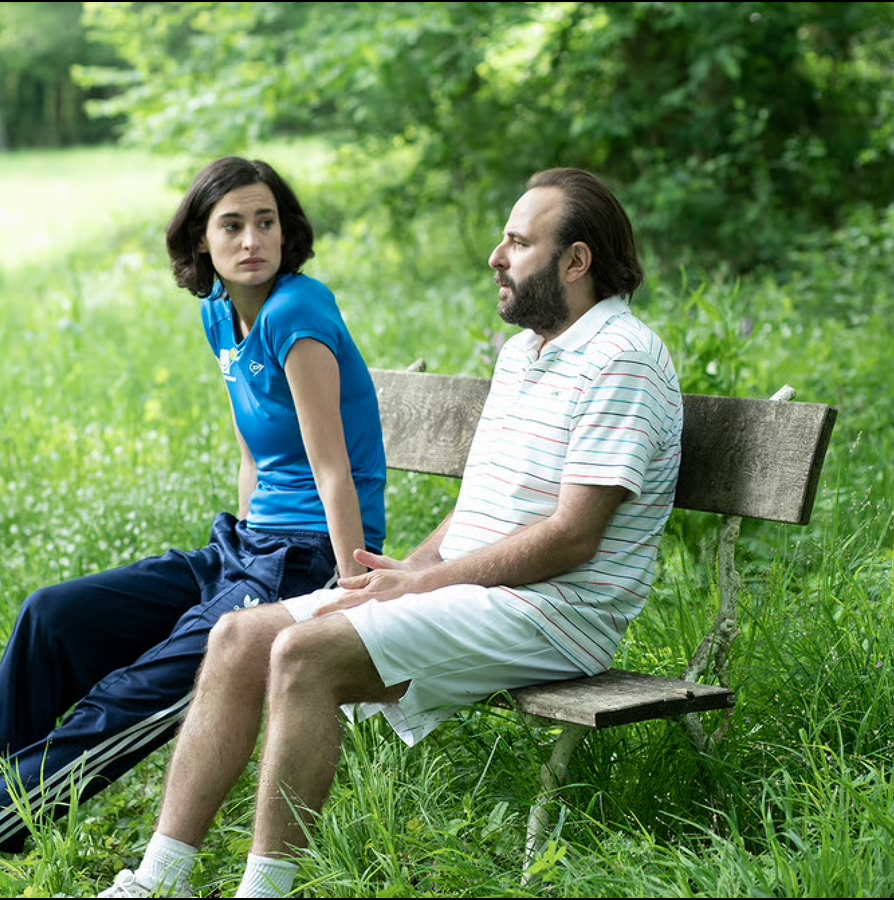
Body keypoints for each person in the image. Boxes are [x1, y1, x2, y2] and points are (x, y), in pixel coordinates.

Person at [0, 156, 388, 893]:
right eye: (231, 225)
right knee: (53, 617)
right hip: (246, 548)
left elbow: (332, 467)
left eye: (266, 222)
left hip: (305, 562)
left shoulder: (297, 312)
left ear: (286, 231)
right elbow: (252, 449)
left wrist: (352, 582)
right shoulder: (220, 315)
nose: (252, 239)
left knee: (128, 698)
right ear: (201, 240)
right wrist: (234, 549)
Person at [96, 166, 684, 899]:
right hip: (483, 590)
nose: (496, 257)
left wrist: (421, 584)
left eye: (517, 242)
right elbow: (482, 508)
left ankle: (264, 893)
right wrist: (405, 572)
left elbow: (571, 539)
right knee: (237, 638)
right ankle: (159, 882)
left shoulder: (620, 361)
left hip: (559, 611)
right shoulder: (525, 353)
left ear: (575, 261)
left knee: (304, 652)